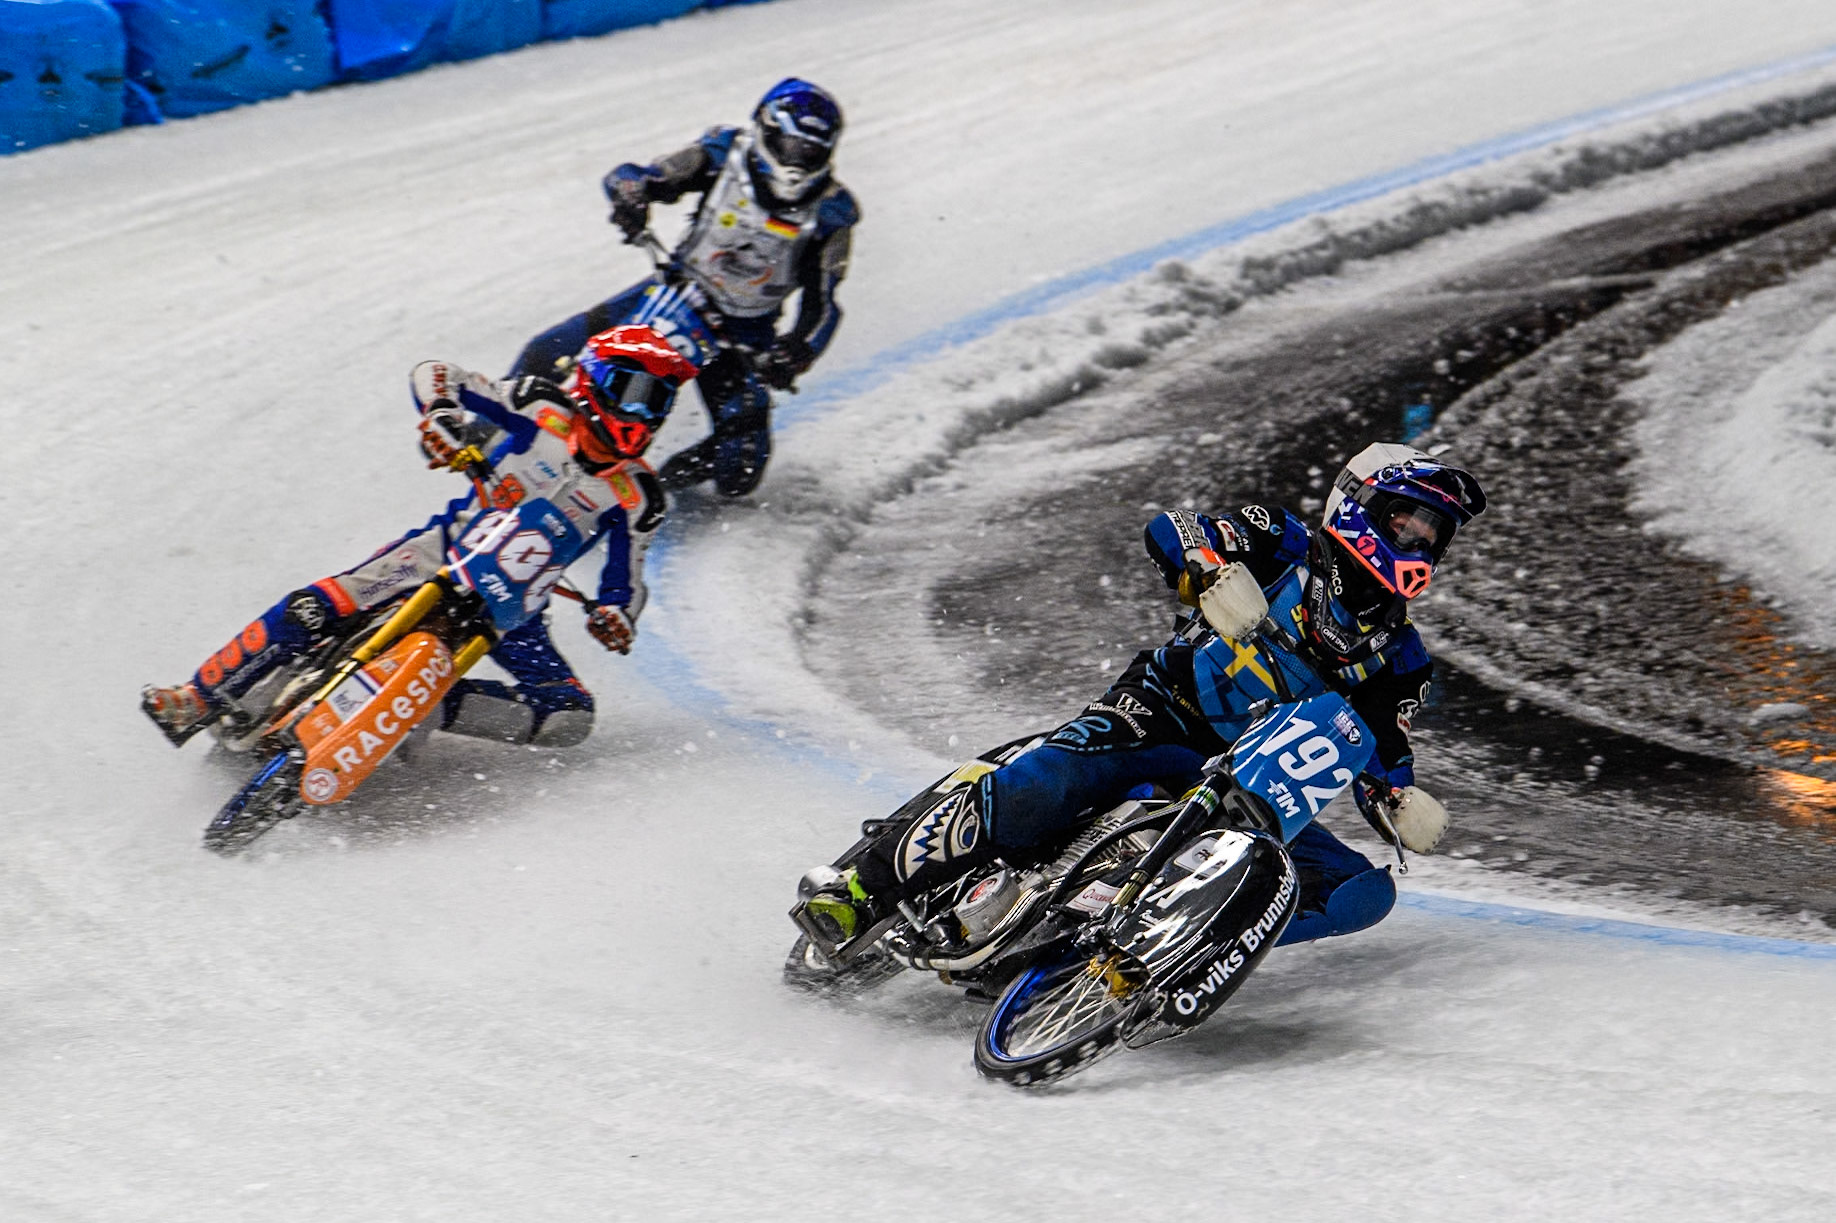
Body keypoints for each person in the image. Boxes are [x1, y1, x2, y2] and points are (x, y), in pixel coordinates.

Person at [801, 442, 1488, 953]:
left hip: (1253, 787)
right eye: (1408, 520)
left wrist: (1395, 800)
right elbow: (1176, 527)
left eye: (1434, 534)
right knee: (1049, 780)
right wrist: (1208, 570)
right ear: (1362, 503)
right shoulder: (1283, 540)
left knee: (1359, 892)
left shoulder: (1404, 658)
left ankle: (1172, 947)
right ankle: (861, 888)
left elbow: (1378, 746)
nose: (1420, 541)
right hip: (1163, 711)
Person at [141, 325, 698, 751]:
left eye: (659, 400)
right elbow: (438, 373)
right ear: (596, 380)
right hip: (442, 552)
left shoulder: (638, 495)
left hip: (515, 609)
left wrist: (618, 616)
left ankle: (422, 708)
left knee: (567, 717)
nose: (643, 412)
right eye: (632, 390)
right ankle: (197, 698)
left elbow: (630, 580)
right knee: (321, 606)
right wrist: (440, 416)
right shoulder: (538, 405)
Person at [511, 78, 859, 498]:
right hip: (674, 290)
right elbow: (637, 176)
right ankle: (489, 429)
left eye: (811, 152)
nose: (798, 162)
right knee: (547, 352)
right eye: (791, 147)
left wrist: (798, 350)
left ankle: (663, 491)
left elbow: (823, 302)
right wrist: (632, 197)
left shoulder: (834, 213)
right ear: (766, 131)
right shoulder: (722, 151)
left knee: (742, 465)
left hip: (742, 336)